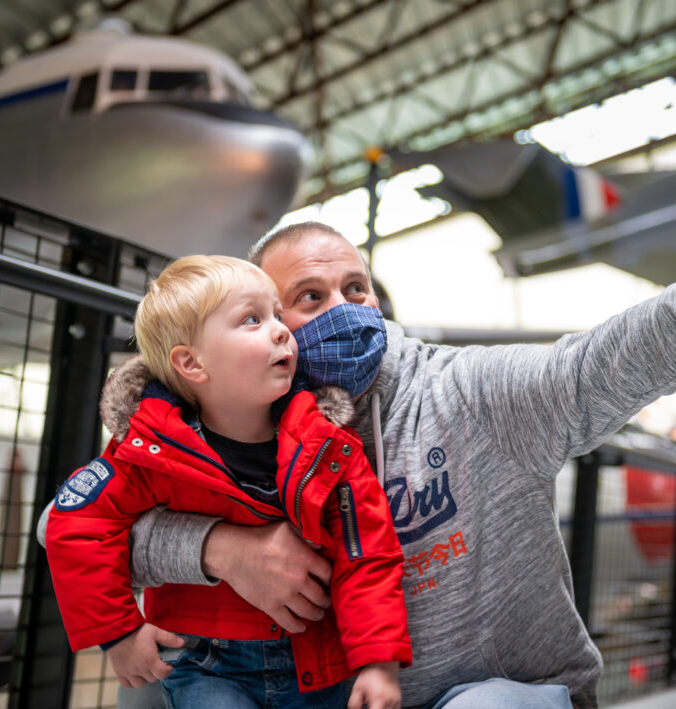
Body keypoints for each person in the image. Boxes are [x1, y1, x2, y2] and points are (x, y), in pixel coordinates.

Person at [45, 138, 676, 709]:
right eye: (306, 299)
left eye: (357, 288)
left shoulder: (470, 397)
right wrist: (220, 550)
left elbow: (607, 358)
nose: (342, 309)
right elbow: (69, 521)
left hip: (489, 690)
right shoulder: (235, 426)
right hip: (335, 689)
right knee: (161, 676)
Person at [43, 255, 411, 708]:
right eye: (252, 319)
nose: (281, 330)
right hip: (205, 666)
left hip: (320, 666)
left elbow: (367, 552)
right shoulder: (148, 450)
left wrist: (379, 662)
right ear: (192, 363)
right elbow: (76, 522)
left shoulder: (329, 446)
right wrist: (119, 632)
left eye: (278, 314)